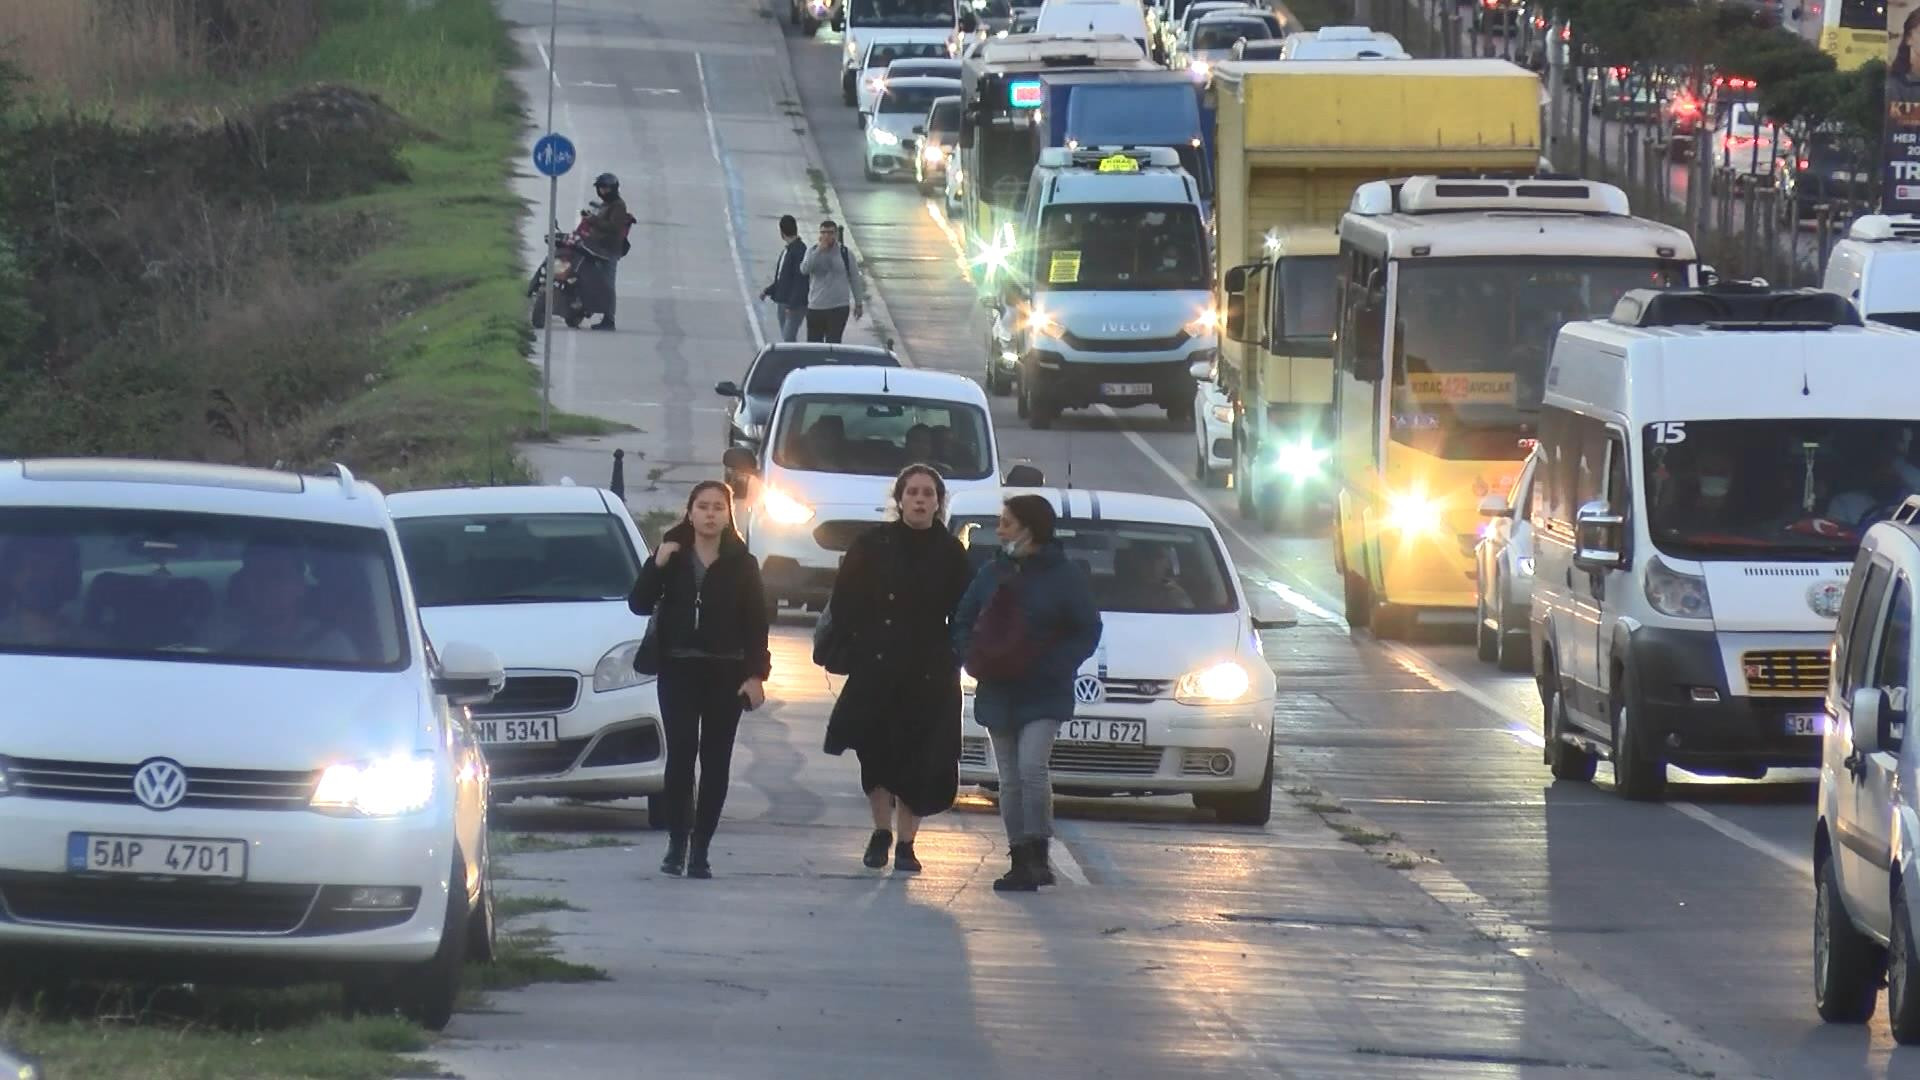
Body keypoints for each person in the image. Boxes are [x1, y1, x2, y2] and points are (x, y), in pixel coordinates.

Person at [822, 465, 974, 871]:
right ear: (900, 499)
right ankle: (880, 832)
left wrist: (956, 651)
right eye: (913, 492)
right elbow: (845, 600)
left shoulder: (951, 552)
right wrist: (862, 643)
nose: (921, 499)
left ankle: (907, 843)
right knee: (876, 755)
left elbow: (966, 610)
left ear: (938, 501)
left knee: (921, 759)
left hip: (930, 670)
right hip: (877, 665)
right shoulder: (872, 544)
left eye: (928, 493)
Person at [952, 494, 1102, 892]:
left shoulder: (1063, 576)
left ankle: (1038, 850)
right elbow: (963, 617)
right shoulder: (992, 572)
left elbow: (1086, 629)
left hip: (1043, 690)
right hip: (998, 687)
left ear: (1029, 529)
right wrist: (972, 656)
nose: (999, 530)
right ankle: (1019, 856)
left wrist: (1054, 664)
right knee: (1010, 779)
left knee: (1032, 768)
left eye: (1006, 522)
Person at [628, 482, 771, 879]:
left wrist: (757, 675)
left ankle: (702, 847)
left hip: (726, 673)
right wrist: (656, 564)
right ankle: (677, 842)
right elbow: (638, 603)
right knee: (680, 756)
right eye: (702, 507)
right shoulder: (671, 555)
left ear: (729, 515)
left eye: (718, 508)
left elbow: (757, 624)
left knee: (716, 761)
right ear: (689, 512)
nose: (710, 514)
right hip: (678, 670)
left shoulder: (742, 563)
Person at [219, 542, 358, 663]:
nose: (265, 585)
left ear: (300, 587)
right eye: (255, 574)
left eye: (277, 575)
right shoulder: (218, 641)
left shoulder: (331, 646)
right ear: (244, 585)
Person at [0, 535, 84, 647]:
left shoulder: (98, 646)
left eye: (60, 569)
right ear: (12, 576)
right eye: (36, 566)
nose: (47, 577)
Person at [578, 173, 631, 331]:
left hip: (609, 250)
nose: (603, 191)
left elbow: (614, 227)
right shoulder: (605, 204)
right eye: (600, 188)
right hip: (597, 247)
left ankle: (609, 319)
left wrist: (593, 220)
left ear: (613, 189)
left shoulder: (618, 205)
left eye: (606, 188)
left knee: (607, 285)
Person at [800, 219, 866, 343]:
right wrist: (819, 250)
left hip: (838, 307)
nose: (826, 236)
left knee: (833, 344)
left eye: (830, 233)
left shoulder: (845, 253)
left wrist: (858, 303)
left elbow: (854, 278)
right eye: (823, 232)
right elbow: (804, 269)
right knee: (814, 346)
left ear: (835, 234)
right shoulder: (812, 251)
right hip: (816, 306)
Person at [761, 215, 810, 342]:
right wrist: (768, 290)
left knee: (788, 337)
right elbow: (782, 278)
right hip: (783, 301)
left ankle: (794, 360)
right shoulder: (789, 250)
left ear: (781, 232)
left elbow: (800, 281)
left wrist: (792, 305)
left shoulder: (798, 251)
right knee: (787, 337)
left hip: (793, 303)